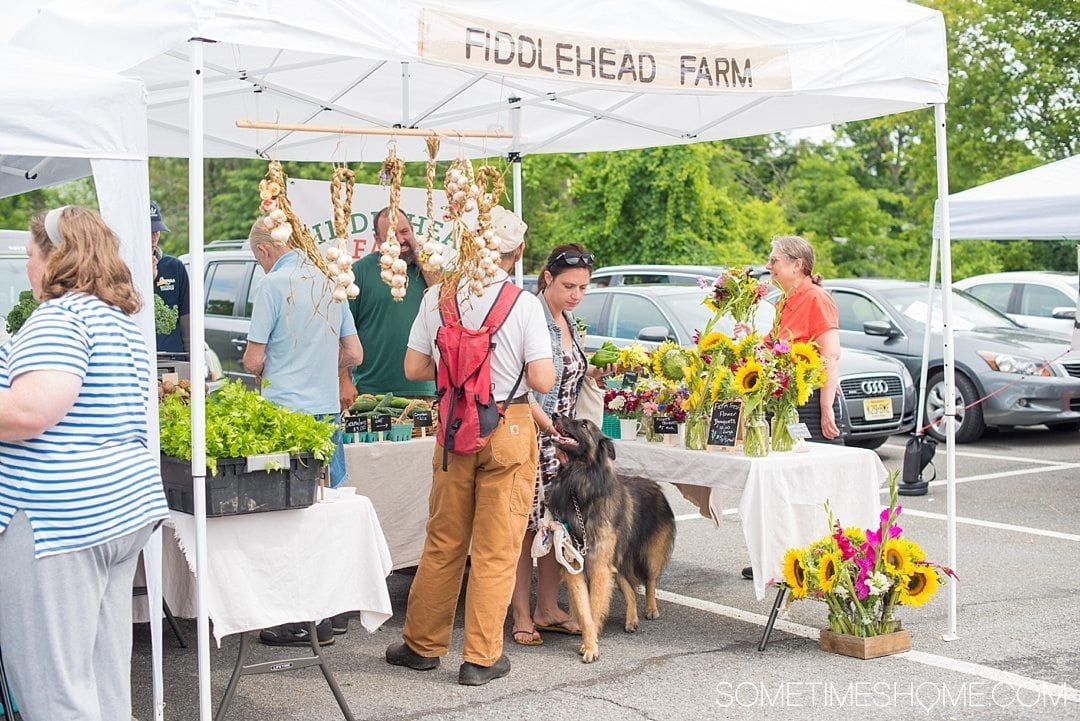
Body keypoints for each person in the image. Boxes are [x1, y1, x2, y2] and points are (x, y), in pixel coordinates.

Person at [0, 206, 171, 721]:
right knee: (101, 674)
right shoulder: (117, 321)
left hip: (59, 518)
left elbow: (31, 411)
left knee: (55, 687)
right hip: (118, 509)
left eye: (30, 256)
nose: (29, 269)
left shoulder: (61, 317)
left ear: (55, 259)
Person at [385, 206, 555, 686]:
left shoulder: (439, 296)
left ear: (468, 247)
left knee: (443, 542)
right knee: (497, 548)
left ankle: (421, 646)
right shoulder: (523, 305)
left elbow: (415, 370)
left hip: (454, 426)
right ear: (517, 252)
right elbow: (541, 377)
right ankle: (481, 658)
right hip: (510, 426)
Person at [242, 218, 363, 644]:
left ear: (264, 251)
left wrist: (260, 363)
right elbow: (354, 352)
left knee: (289, 517)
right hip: (326, 415)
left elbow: (255, 362)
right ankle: (336, 609)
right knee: (329, 507)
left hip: (285, 417)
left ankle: (298, 619)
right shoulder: (330, 281)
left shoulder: (272, 286)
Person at [510, 243, 608, 646]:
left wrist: (595, 372)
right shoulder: (529, 314)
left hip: (564, 444)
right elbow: (518, 385)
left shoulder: (567, 320)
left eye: (583, 288)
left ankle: (547, 608)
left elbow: (570, 371)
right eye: (569, 285)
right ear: (547, 277)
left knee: (557, 527)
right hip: (536, 436)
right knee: (525, 532)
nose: (576, 295)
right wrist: (549, 427)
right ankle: (520, 614)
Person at [740, 234, 843, 581]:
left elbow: (830, 354)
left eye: (774, 261)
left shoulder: (817, 298)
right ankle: (782, 558)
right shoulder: (785, 300)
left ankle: (826, 558)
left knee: (816, 483)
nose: (768, 267)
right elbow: (774, 348)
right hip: (786, 399)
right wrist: (749, 339)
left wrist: (827, 406)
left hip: (811, 400)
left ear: (797, 265)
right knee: (785, 482)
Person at [340, 207, 436, 410]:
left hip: (427, 392)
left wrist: (424, 261)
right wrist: (344, 381)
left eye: (405, 232)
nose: (401, 241)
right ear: (377, 239)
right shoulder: (360, 272)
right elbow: (341, 332)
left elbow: (447, 309)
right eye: (391, 236)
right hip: (372, 393)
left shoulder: (429, 271)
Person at [149, 200, 190, 355]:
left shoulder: (174, 267)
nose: (154, 238)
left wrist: (190, 358)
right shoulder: (121, 269)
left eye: (157, 231)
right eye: (149, 231)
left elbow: (187, 317)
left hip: (172, 357)